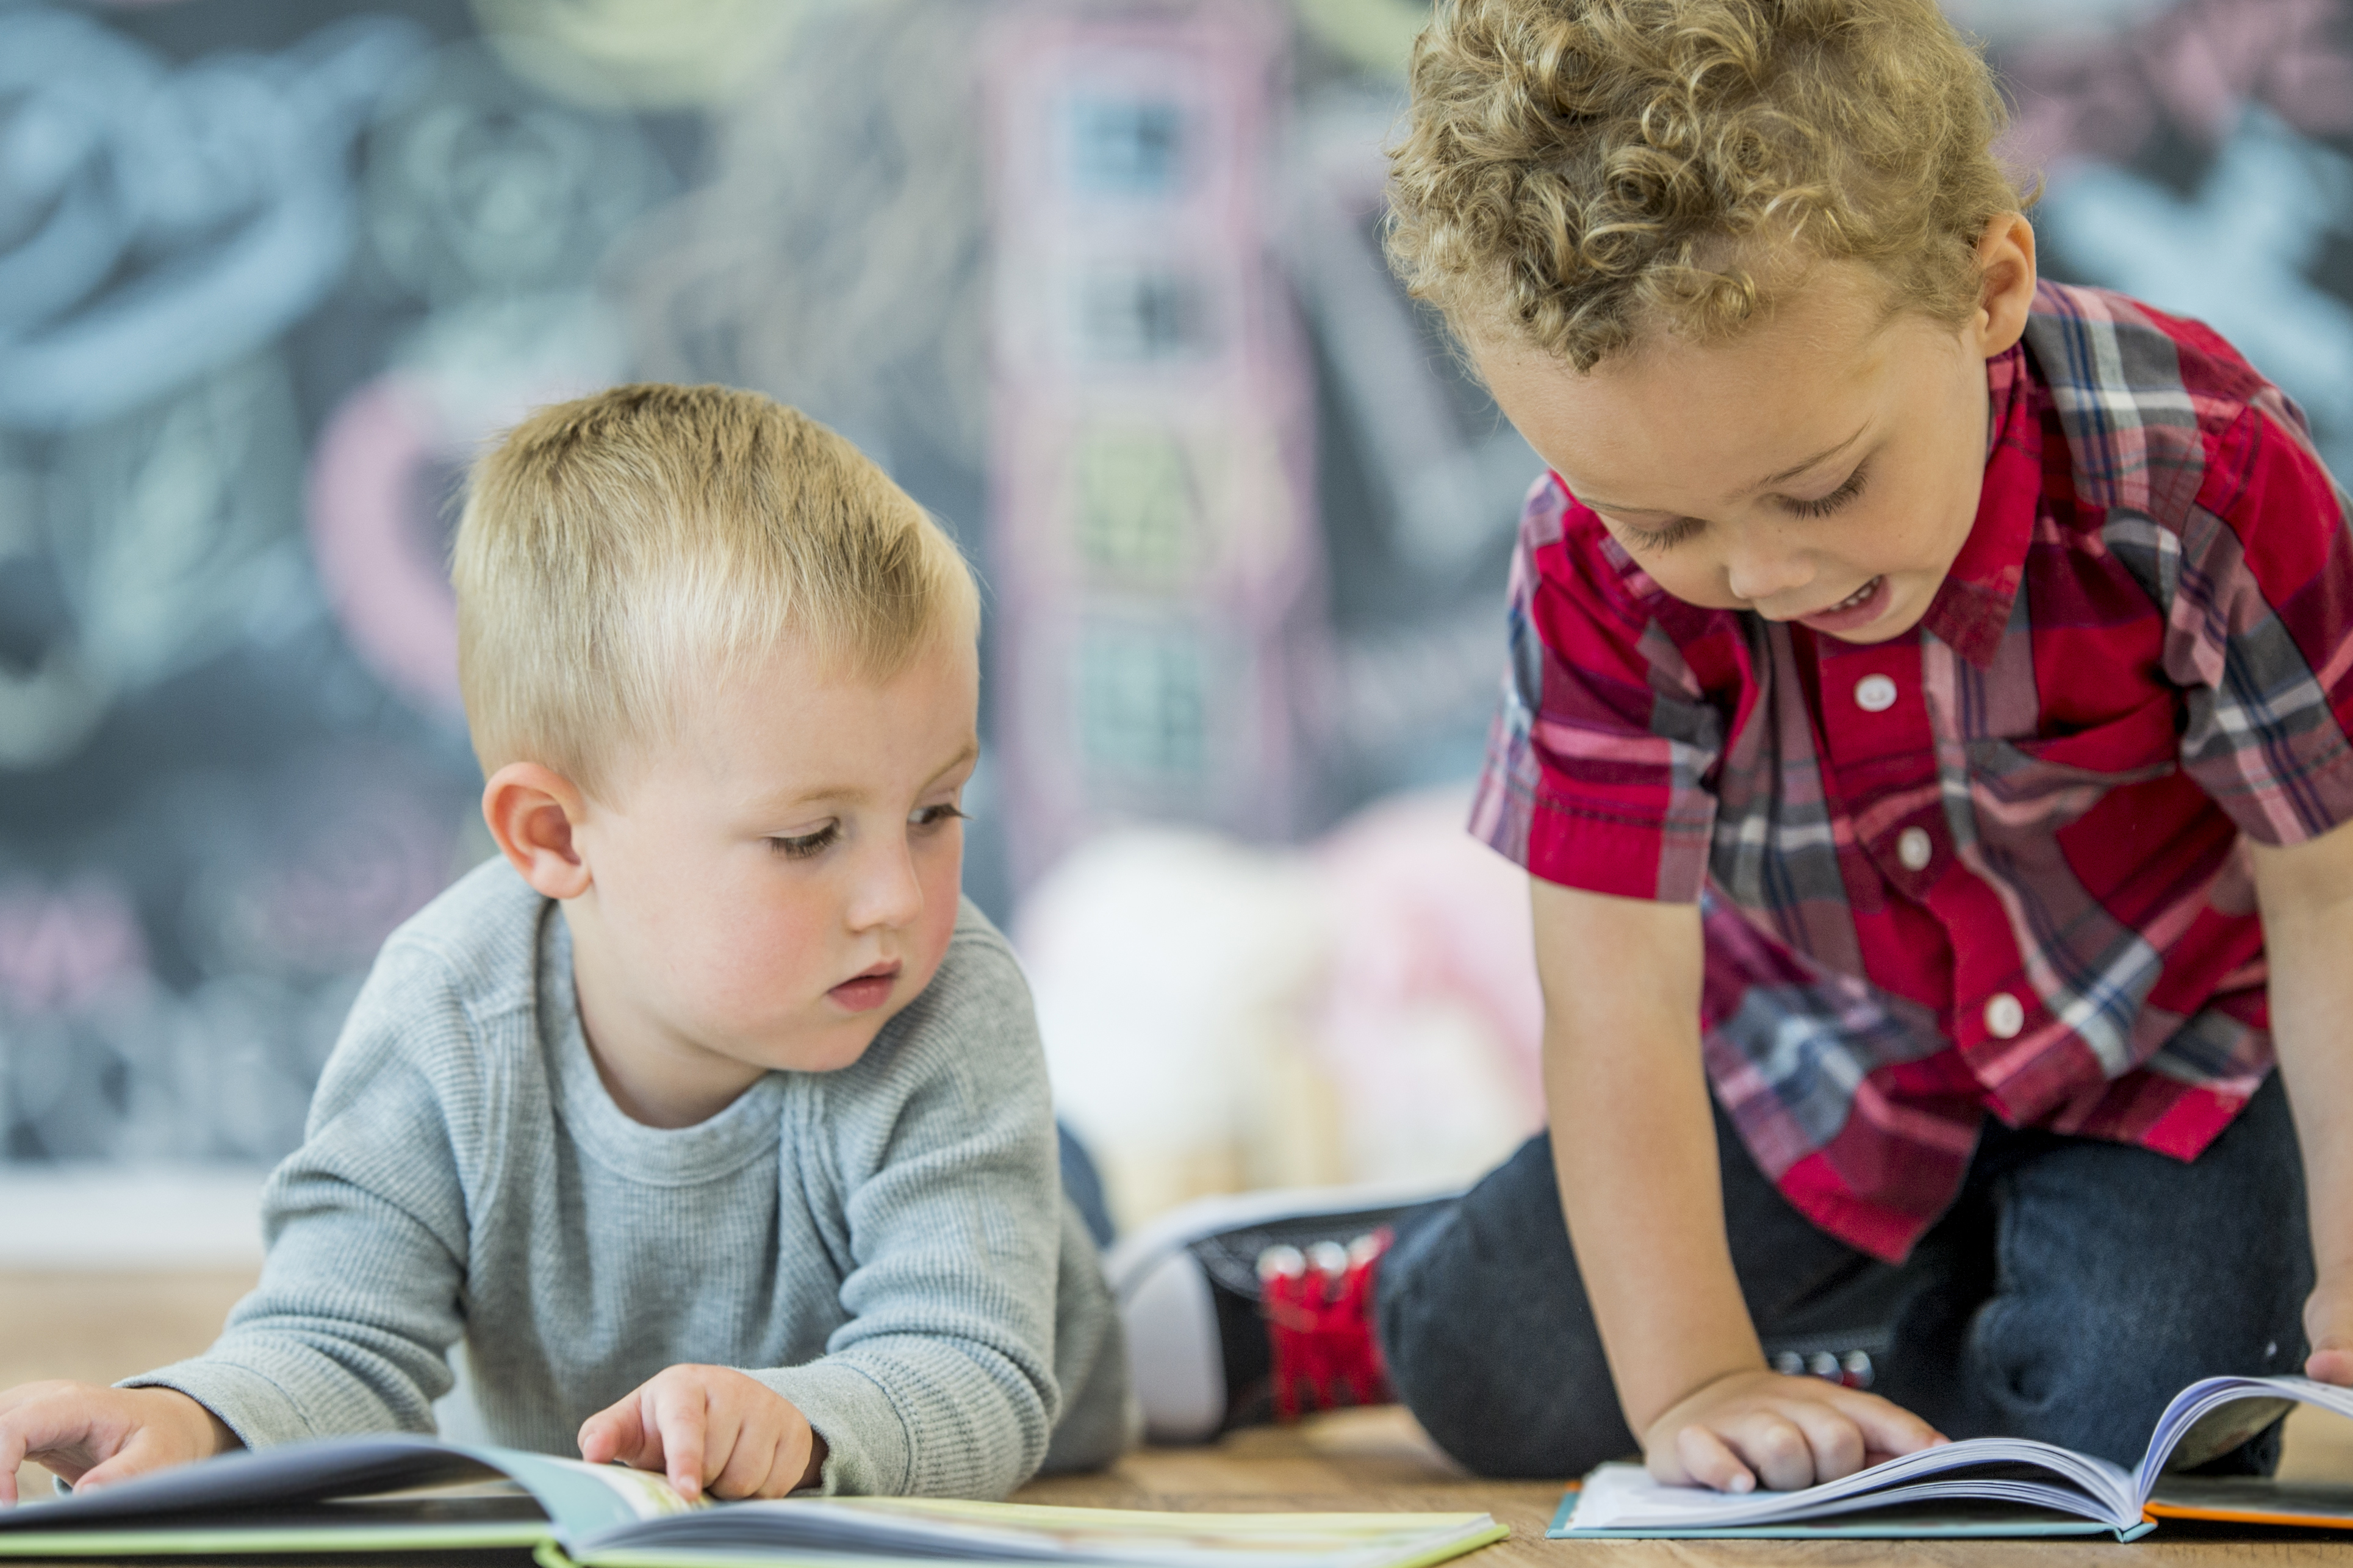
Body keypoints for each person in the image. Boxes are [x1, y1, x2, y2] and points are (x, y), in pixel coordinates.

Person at [1115, 0, 2352, 1491]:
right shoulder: (1589, 571)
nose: (1759, 574)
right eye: (1668, 523)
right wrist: (1695, 1377)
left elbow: (2330, 894)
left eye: (1822, 488)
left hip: (2168, 1057)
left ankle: (1930, 1339)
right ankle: (1358, 1300)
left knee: (2147, 1436)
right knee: (1501, 1375)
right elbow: (1614, 1004)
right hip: (1818, 1061)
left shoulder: (2202, 470)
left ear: (1988, 285)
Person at [0, 385, 1128, 1505]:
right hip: (644, 1462)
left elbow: (978, 1367)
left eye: (936, 811)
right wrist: (184, 1419)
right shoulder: (447, 1011)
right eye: (806, 837)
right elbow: (334, 1342)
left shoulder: (945, 1005)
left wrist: (805, 1423)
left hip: (1056, 1349)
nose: (895, 894)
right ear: (553, 835)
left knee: (1171, 1326)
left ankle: (1144, 1248)